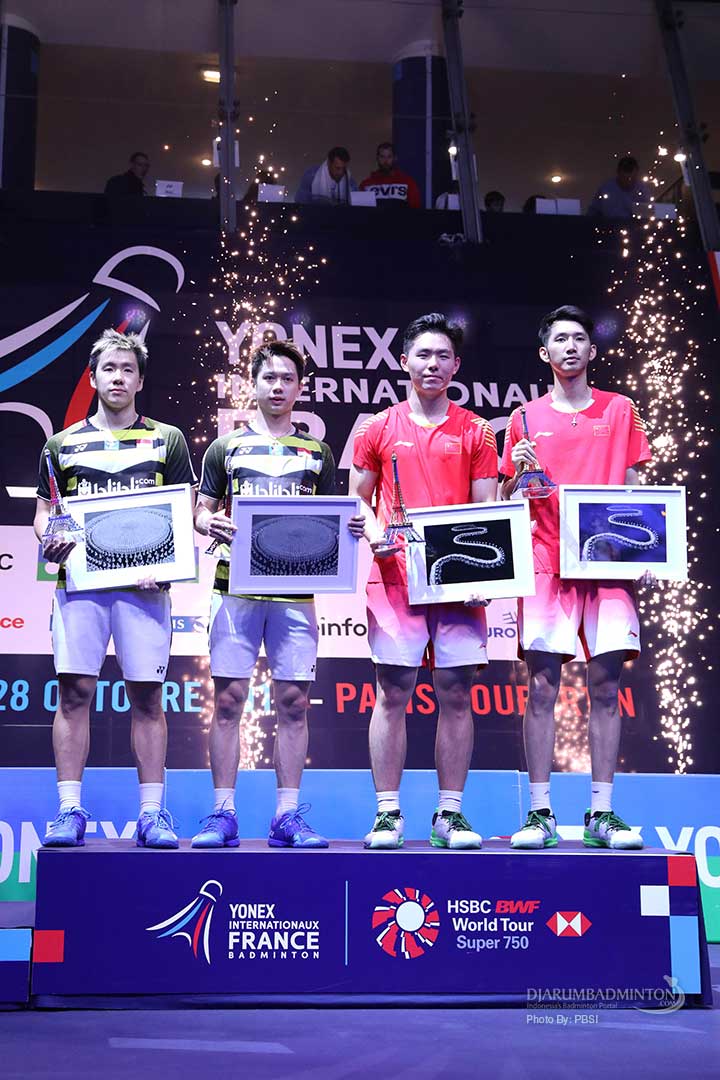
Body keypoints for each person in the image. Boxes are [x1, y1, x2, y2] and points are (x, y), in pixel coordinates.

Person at [191, 340, 364, 849]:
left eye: (287, 378)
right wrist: (209, 522)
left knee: (294, 701)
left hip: (295, 593)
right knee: (229, 700)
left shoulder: (318, 452)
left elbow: (327, 522)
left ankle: (286, 816)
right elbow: (201, 511)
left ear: (300, 387)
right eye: (269, 378)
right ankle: (223, 814)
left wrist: (350, 528)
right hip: (234, 588)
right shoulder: (225, 448)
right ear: (254, 384)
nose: (278, 387)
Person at [35, 330, 197, 849]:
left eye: (128, 369)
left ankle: (151, 814)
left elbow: (184, 512)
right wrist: (50, 537)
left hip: (145, 589)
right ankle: (69, 809)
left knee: (147, 697)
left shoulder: (167, 439)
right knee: (74, 694)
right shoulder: (61, 444)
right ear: (93, 377)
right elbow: (44, 514)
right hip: (81, 585)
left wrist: (166, 562)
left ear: (140, 380)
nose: (119, 377)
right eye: (109, 368)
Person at [499, 305, 653, 851]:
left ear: (592, 350)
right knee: (542, 686)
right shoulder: (523, 418)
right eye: (560, 339)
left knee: (606, 686)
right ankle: (540, 813)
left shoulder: (620, 409)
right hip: (546, 563)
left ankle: (601, 813)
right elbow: (506, 498)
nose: (570, 347)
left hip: (606, 562)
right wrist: (516, 474)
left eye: (579, 338)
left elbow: (635, 486)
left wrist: (646, 549)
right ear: (545, 353)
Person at [350, 313, 498, 851]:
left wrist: (485, 573)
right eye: (423, 355)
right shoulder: (377, 427)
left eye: (442, 356)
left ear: (456, 366)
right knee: (393, 691)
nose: (432, 364)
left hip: (457, 582)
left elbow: (486, 510)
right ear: (404, 361)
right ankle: (387, 814)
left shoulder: (477, 430)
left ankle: (449, 815)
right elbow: (358, 500)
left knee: (456, 693)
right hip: (394, 578)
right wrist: (375, 535)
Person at [359, 142, 421, 209]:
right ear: (377, 158)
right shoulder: (366, 184)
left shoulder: (408, 182)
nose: (385, 161)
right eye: (382, 157)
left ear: (395, 158)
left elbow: (415, 209)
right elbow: (361, 210)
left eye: (389, 157)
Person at [587, 156, 652, 219]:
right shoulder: (606, 189)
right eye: (625, 178)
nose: (628, 181)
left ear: (636, 174)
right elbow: (592, 213)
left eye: (632, 178)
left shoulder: (643, 190)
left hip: (634, 225)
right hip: (609, 225)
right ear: (618, 173)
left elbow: (649, 215)